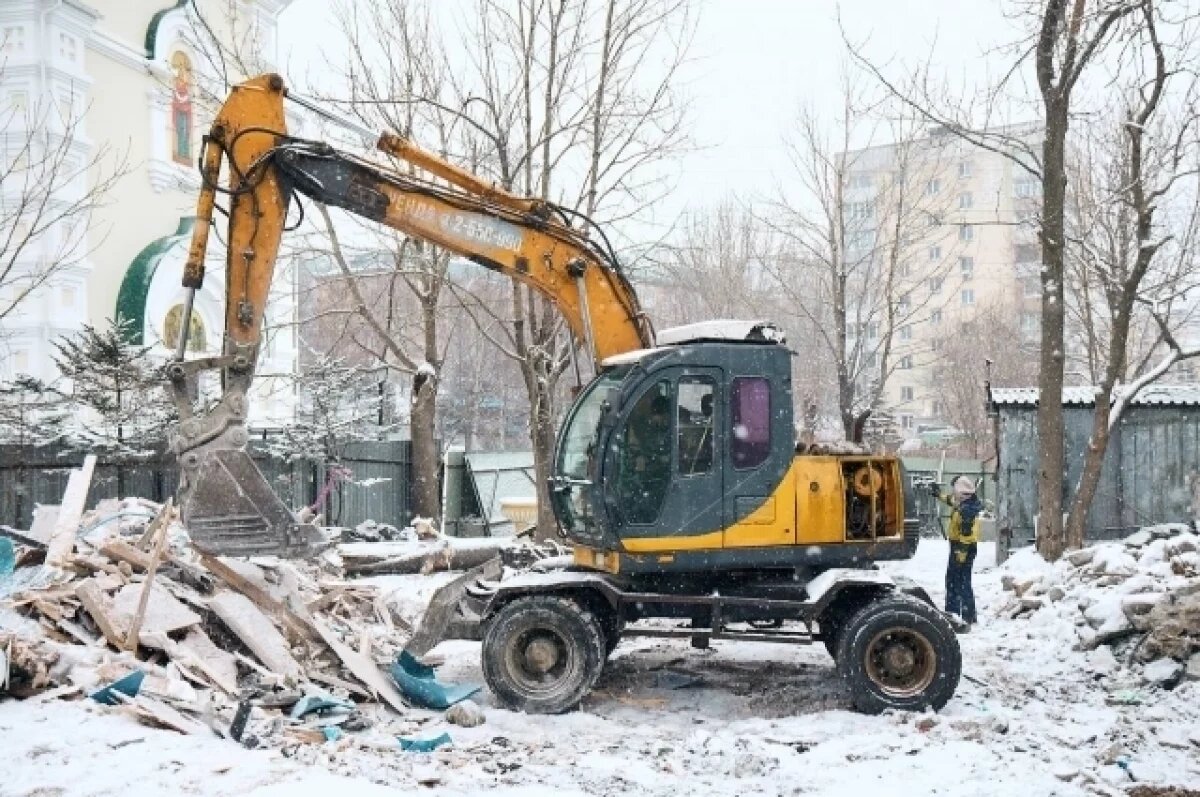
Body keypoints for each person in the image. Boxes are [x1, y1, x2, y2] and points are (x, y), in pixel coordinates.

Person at [929, 475, 982, 629]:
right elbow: (950, 500)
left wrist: (961, 553)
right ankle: (964, 615)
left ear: (961, 491)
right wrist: (938, 494)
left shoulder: (967, 510)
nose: (953, 492)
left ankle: (958, 616)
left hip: (963, 547)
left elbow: (967, 535)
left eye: (955, 490)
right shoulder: (964, 503)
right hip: (960, 546)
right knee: (958, 580)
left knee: (958, 582)